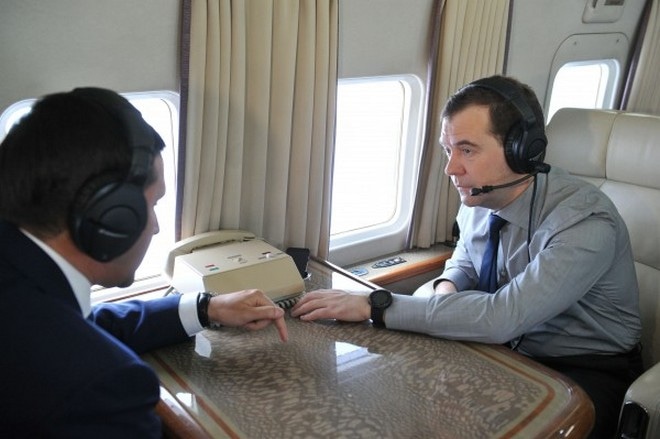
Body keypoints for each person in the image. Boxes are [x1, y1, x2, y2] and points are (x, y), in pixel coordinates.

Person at [291, 75, 642, 438]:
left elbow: (503, 317)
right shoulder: (479, 197)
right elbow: (465, 263)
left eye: (467, 150)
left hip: (584, 369)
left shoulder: (585, 221)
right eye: (448, 150)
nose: (451, 168)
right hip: (505, 352)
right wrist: (445, 289)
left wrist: (375, 305)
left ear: (522, 150)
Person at [0, 87, 288, 438]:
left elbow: (78, 323)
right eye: (151, 205)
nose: (155, 227)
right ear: (112, 219)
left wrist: (205, 308)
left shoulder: (22, 286)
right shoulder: (103, 386)